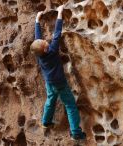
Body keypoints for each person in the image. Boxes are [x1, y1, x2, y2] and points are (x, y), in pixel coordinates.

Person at [30, 4, 86, 141]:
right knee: (70, 104)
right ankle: (76, 132)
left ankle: (45, 122)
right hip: (60, 83)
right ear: (45, 48)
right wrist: (60, 14)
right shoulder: (53, 50)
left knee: (50, 101)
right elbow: (57, 33)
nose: (45, 40)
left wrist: (37, 20)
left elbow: (38, 38)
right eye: (44, 42)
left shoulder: (40, 54)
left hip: (50, 83)